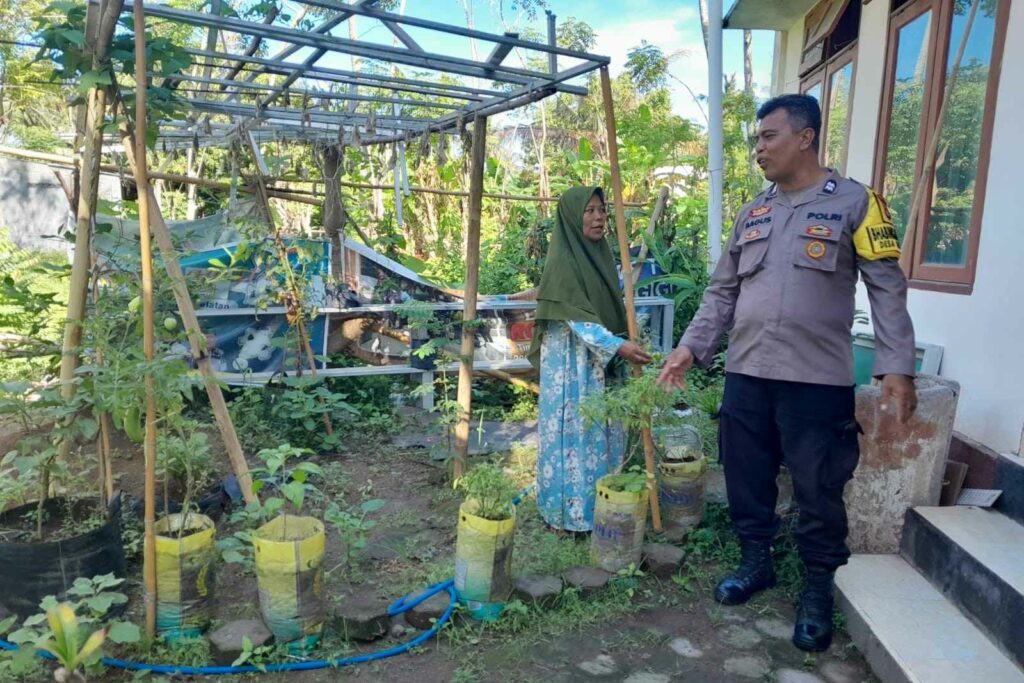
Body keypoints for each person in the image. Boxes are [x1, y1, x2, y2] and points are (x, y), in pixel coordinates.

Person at [657, 94, 917, 653]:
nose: (759, 149)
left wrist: (897, 365)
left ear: (805, 137)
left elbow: (887, 287)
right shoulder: (753, 212)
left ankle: (818, 589)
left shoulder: (857, 203)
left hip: (816, 381)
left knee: (818, 489)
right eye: (757, 140)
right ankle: (757, 564)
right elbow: (722, 291)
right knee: (746, 477)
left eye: (768, 137)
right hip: (748, 372)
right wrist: (689, 348)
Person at [526, 186, 652, 534]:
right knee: (577, 434)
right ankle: (569, 514)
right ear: (572, 216)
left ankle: (604, 507)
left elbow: (611, 307)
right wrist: (619, 346)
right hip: (572, 366)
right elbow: (579, 321)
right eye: (591, 211)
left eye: (603, 211)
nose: (599, 218)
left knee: (604, 432)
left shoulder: (601, 256)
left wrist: (628, 337)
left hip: (602, 361)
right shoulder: (564, 264)